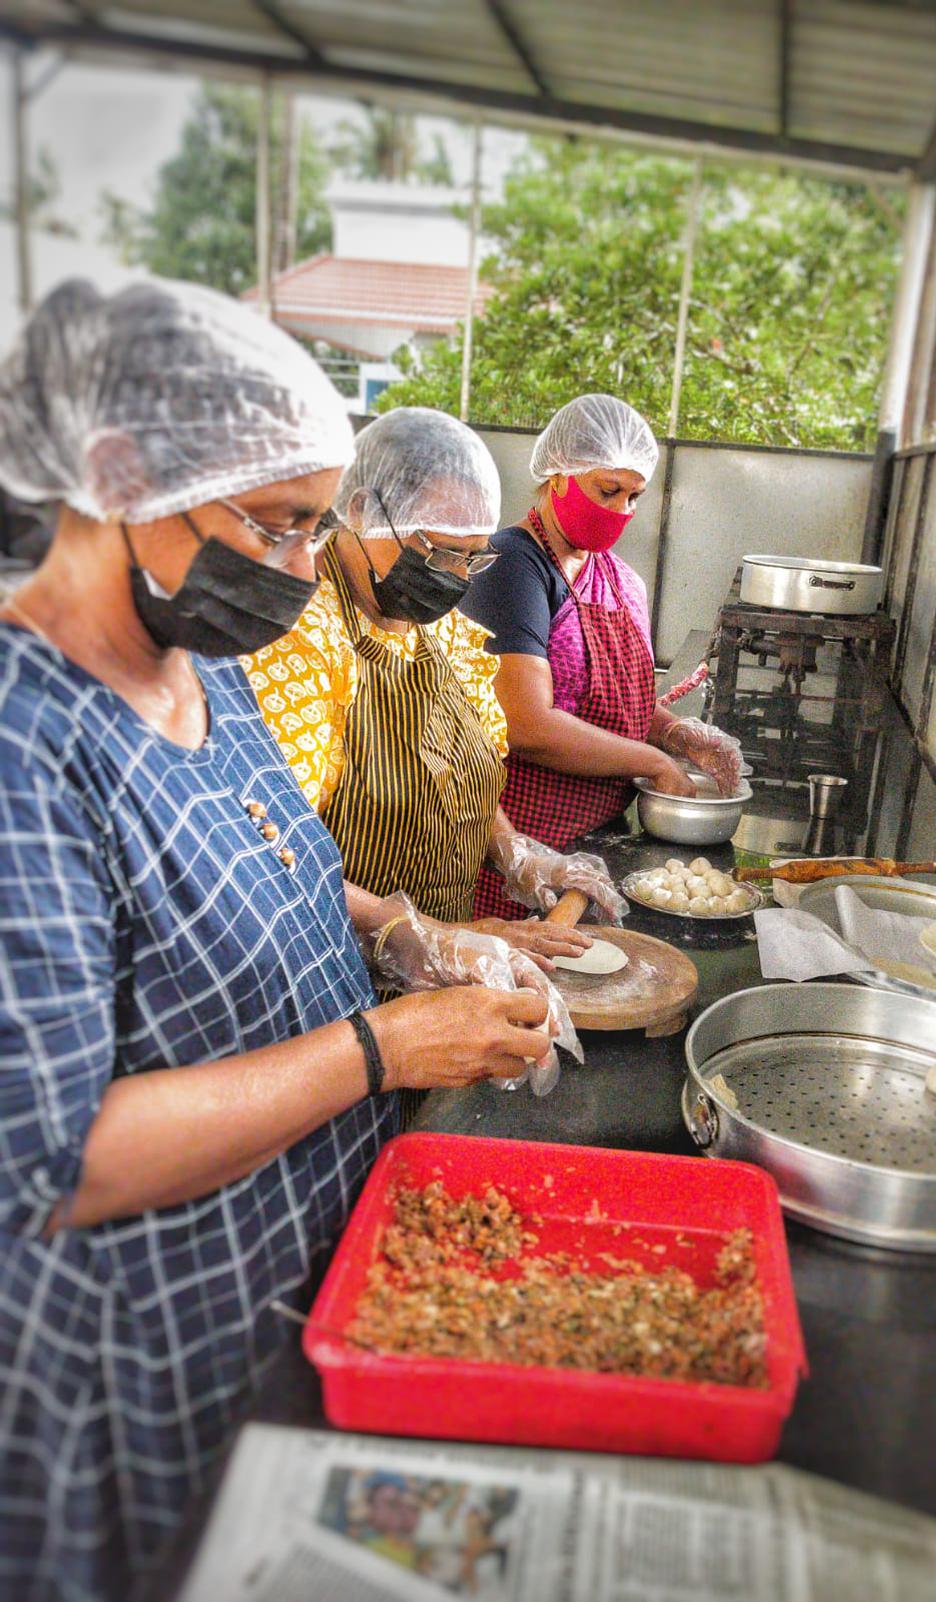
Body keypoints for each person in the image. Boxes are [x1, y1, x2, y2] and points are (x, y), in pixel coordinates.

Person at [0, 278, 559, 1602]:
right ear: (117, 476)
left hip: (294, 1272)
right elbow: (59, 1162)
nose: (306, 568)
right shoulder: (29, 742)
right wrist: (383, 1046)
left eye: (319, 526)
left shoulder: (212, 665)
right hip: (143, 1345)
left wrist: (408, 932)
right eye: (278, 522)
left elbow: (285, 869)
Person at [245, 407, 624, 966]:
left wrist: (519, 855)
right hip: (330, 971)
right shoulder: (298, 638)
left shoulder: (441, 630)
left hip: (450, 957)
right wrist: (426, 939)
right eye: (439, 551)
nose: (453, 576)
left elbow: (456, 778)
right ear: (361, 511)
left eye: (472, 557)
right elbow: (273, 850)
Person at [461, 394, 742, 920]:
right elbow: (524, 722)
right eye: (607, 490)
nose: (621, 511)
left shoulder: (619, 580)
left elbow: (610, 699)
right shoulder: (509, 568)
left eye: (634, 496)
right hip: (522, 857)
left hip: (602, 840)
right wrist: (654, 761)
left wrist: (675, 732)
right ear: (558, 475)